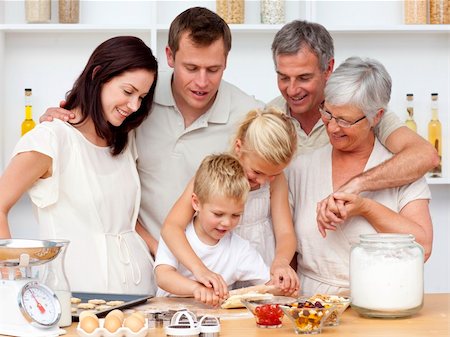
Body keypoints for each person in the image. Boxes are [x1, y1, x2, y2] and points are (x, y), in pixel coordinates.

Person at [40, 7, 263, 296]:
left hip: (217, 281)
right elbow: (94, 144)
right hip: (142, 270)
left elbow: (273, 179)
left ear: (226, 61)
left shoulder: (248, 117)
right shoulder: (136, 104)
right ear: (170, 57)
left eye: (213, 69)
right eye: (191, 68)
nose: (202, 82)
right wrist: (61, 119)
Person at [0, 36, 158, 294]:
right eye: (128, 92)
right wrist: (11, 279)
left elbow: (121, 218)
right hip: (77, 301)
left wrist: (159, 251)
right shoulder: (51, 139)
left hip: (141, 295)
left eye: (142, 97)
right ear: (98, 75)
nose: (134, 106)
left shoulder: (124, 139)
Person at [287, 56, 433, 296]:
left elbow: (422, 247)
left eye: (345, 120)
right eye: (328, 113)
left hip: (384, 301)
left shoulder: (400, 171)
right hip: (311, 308)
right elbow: (287, 251)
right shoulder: (300, 169)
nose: (332, 127)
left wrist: (365, 207)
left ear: (377, 116)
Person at [268, 20, 439, 215]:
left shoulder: (364, 113)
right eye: (283, 77)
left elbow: (425, 156)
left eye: (304, 78)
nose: (292, 90)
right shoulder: (269, 117)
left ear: (328, 69)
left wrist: (357, 184)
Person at [160, 107, 299, 296]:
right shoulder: (212, 178)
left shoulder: (276, 181)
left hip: (259, 262)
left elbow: (285, 232)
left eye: (273, 174)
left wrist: (281, 263)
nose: (263, 181)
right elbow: (171, 227)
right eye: (257, 172)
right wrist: (199, 270)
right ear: (239, 148)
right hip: (215, 262)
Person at [155, 153, 271, 306]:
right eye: (218, 214)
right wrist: (195, 288)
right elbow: (163, 277)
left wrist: (284, 286)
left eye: (236, 215)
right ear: (196, 203)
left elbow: (269, 285)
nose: (227, 223)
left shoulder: (239, 249)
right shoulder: (177, 236)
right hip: (168, 320)